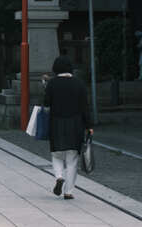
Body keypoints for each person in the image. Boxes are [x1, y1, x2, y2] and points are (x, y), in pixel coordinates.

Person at [43, 55, 92, 200]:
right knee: (72, 159)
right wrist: (89, 126)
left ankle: (59, 177)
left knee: (57, 155)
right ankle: (69, 192)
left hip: (56, 123)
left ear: (55, 68)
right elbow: (85, 107)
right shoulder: (79, 84)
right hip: (75, 124)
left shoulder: (52, 84)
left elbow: (46, 105)